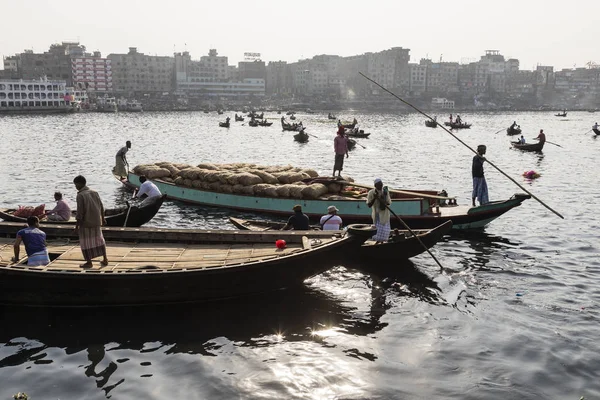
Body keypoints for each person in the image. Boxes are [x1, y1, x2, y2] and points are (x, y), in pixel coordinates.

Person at [73, 175, 108, 268]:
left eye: (76, 184)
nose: (75, 187)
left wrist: (77, 226)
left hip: (86, 222)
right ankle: (105, 259)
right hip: (97, 221)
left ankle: (89, 262)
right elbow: (101, 206)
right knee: (99, 240)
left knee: (85, 242)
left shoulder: (80, 195)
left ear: (79, 184)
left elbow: (80, 212)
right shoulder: (94, 192)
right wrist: (103, 218)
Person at [367, 178, 392, 244]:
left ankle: (382, 243)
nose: (381, 186)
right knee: (377, 232)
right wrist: (375, 198)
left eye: (381, 185)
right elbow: (369, 205)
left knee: (385, 230)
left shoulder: (385, 192)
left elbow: (388, 202)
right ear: (375, 186)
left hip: (384, 215)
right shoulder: (371, 193)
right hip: (377, 215)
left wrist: (383, 199)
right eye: (379, 185)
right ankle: (377, 243)